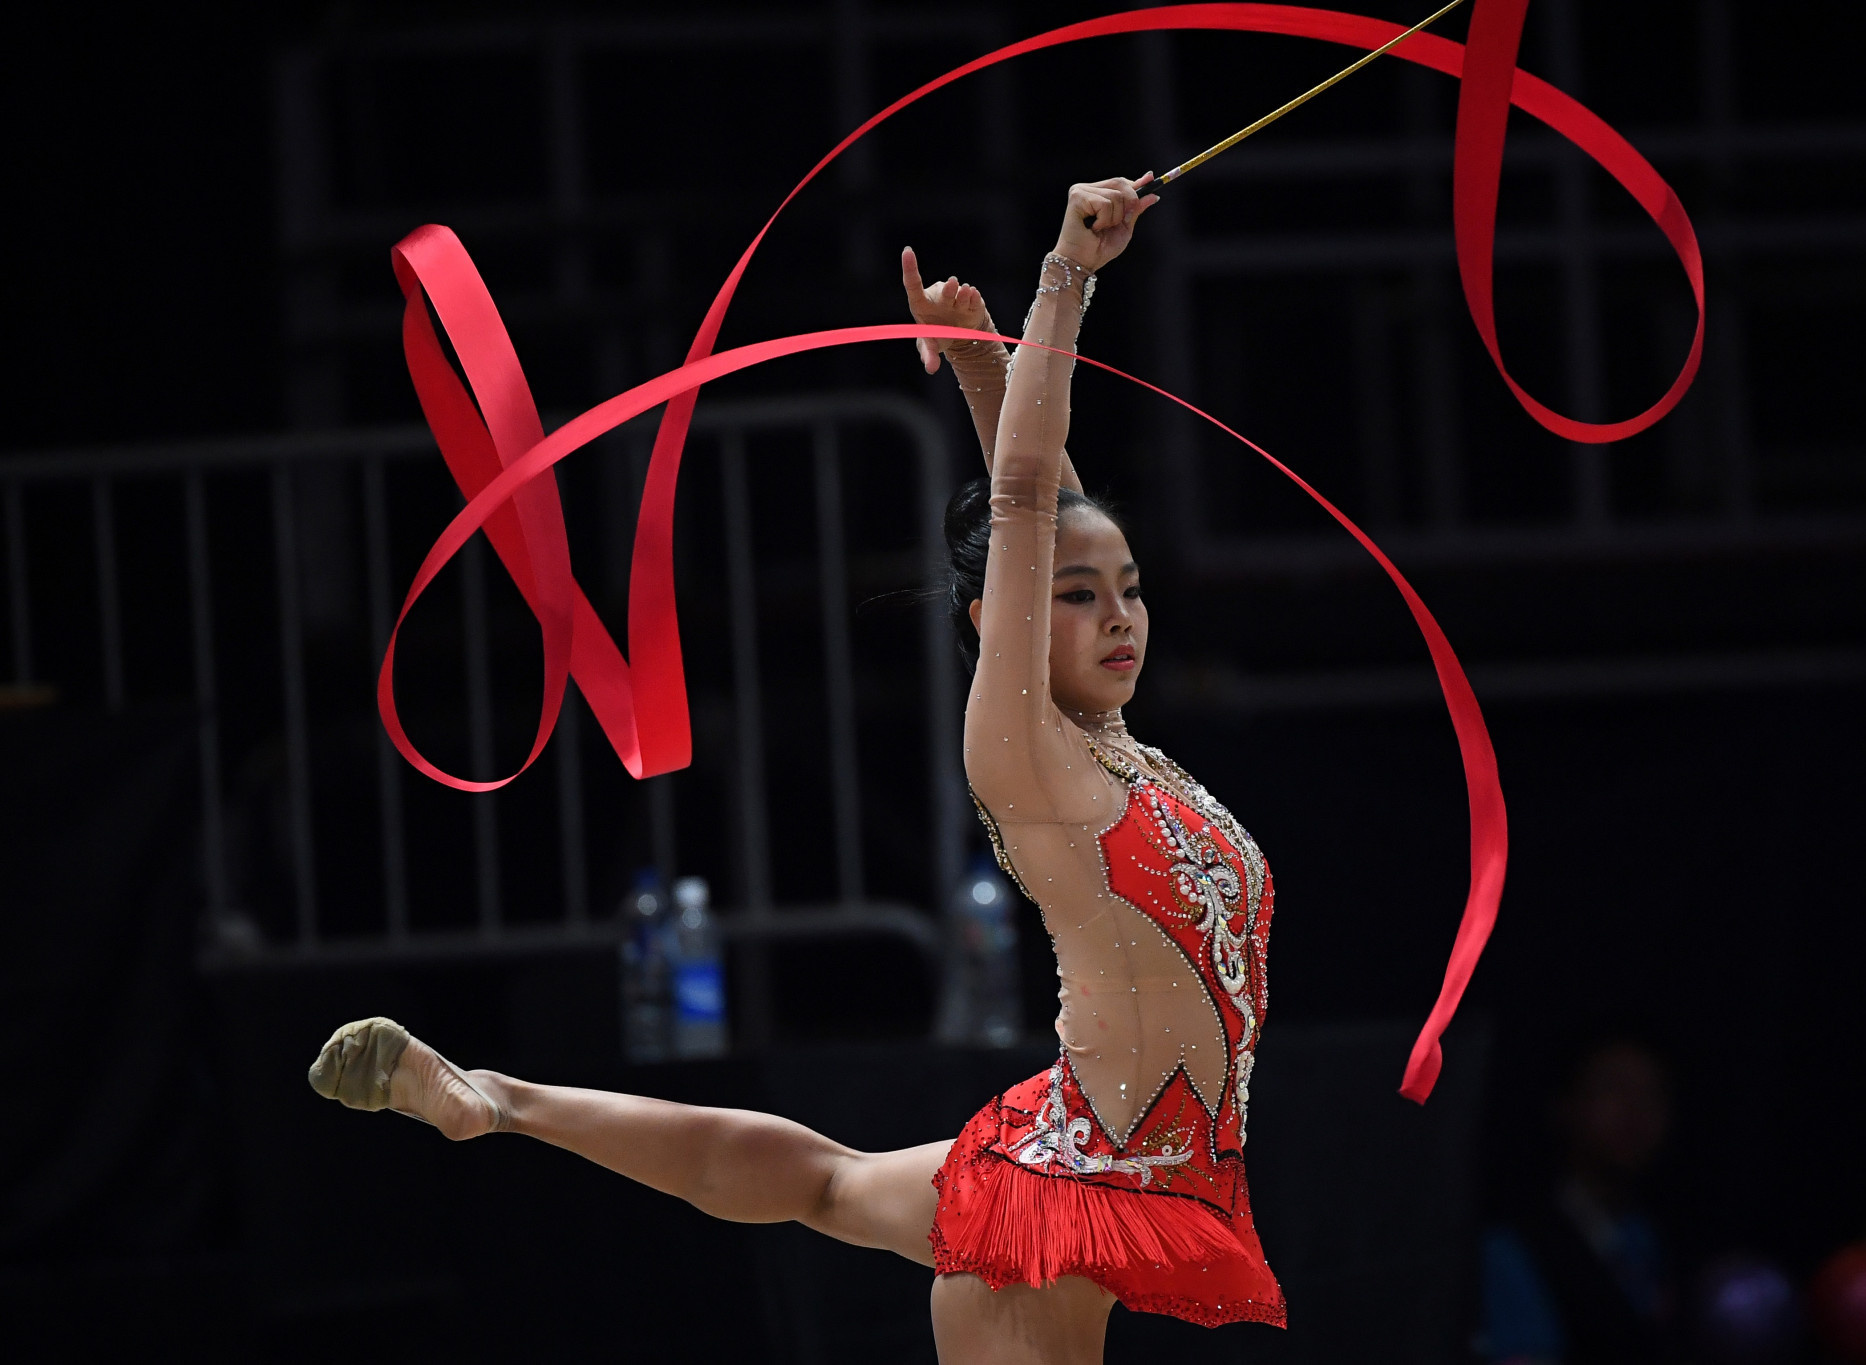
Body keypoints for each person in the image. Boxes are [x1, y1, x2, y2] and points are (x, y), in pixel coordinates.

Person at [307, 173, 1287, 1364]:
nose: (1119, 616)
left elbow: (1048, 502)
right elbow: (1026, 500)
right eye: (1077, 598)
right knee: (823, 1187)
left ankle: (498, 1101)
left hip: (1099, 1150)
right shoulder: (1025, 753)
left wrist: (984, 365)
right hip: (1062, 1202)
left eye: (1130, 589)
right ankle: (496, 1104)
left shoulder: (1124, 754)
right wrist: (1064, 278)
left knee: (822, 1185)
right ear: (997, 619)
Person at [1479, 1034, 1678, 1365]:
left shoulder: (1649, 1238)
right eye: (1613, 1087)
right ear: (1565, 1105)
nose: (1634, 1109)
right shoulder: (1512, 1246)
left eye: (1652, 1093)